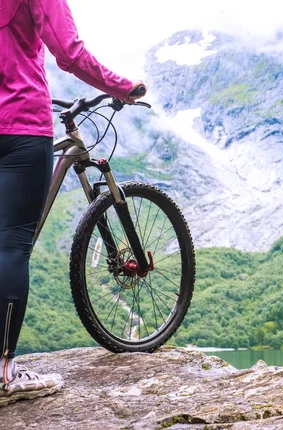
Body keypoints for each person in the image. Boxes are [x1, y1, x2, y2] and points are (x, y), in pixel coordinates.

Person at [0, 0, 145, 406]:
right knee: (11, 245)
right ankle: (4, 372)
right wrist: (121, 86)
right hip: (20, 123)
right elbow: (69, 52)